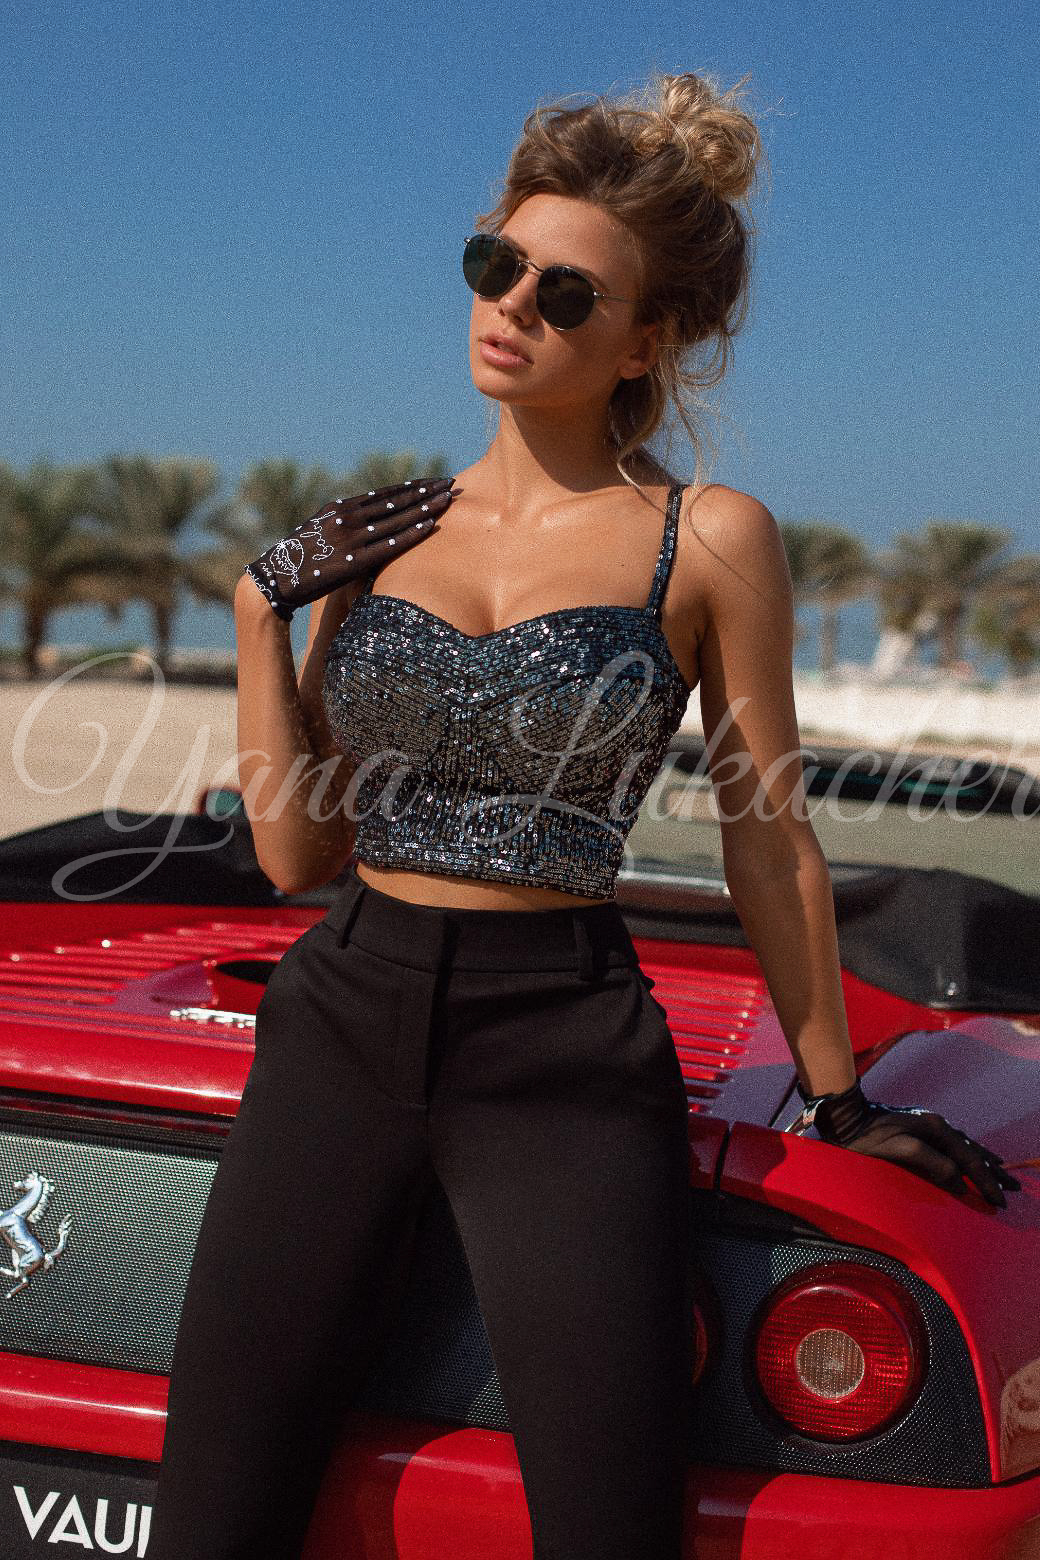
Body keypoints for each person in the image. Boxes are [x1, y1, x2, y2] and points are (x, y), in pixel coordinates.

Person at [147, 69, 1020, 1560]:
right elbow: (295, 854)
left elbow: (767, 834)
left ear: (645, 341)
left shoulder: (707, 540)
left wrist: (838, 1097)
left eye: (565, 294)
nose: (512, 307)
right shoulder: (378, 538)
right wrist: (255, 614)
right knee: (215, 1517)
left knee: (610, 1523)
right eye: (498, 265)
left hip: (563, 1048)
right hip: (341, 1016)